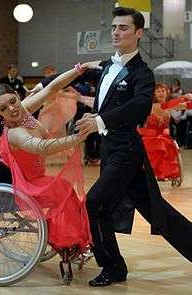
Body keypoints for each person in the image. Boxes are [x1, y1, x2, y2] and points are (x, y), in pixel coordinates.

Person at [75, 7, 192, 287]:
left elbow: (139, 106)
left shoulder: (142, 73)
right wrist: (46, 86)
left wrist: (100, 119)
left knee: (94, 204)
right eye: (114, 27)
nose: (116, 31)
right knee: (155, 211)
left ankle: (113, 267)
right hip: (111, 151)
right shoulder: (106, 66)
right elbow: (80, 77)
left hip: (126, 152)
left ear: (138, 33)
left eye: (123, 28)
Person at [0, 61, 101, 262]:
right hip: (25, 186)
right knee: (64, 192)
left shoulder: (24, 109)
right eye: (4, 108)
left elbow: (52, 87)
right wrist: (77, 138)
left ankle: (69, 242)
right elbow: (42, 147)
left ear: (18, 97)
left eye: (12, 101)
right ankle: (66, 243)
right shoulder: (15, 133)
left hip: (37, 177)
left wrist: (80, 69)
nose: (12, 108)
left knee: (66, 191)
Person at [138, 83, 192, 180]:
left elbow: (186, 106)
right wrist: (183, 97)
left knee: (166, 143)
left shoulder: (170, 106)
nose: (160, 93)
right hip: (150, 137)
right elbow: (166, 105)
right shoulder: (153, 106)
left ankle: (164, 173)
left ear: (167, 92)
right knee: (160, 143)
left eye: (163, 90)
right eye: (157, 91)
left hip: (163, 137)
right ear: (154, 94)